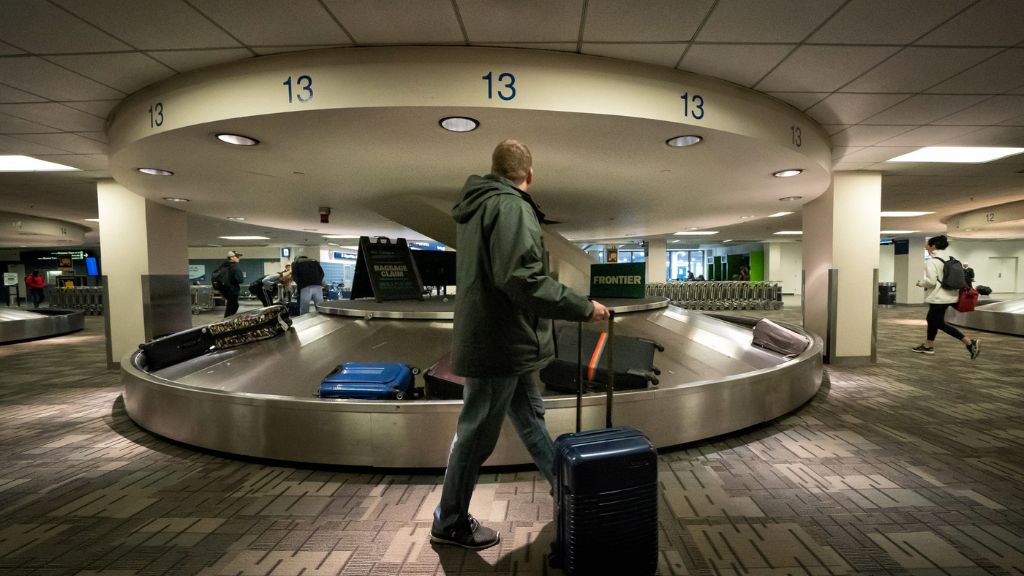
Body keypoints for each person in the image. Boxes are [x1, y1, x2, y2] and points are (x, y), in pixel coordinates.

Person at [431, 139, 609, 550]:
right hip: (501, 343)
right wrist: (583, 307)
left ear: (494, 169)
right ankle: (450, 521)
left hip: (505, 341)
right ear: (529, 175)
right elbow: (522, 279)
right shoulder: (510, 207)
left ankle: (567, 492)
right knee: (475, 435)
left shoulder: (477, 207)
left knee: (531, 419)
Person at [912, 235, 980, 359]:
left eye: (927, 244)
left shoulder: (932, 261)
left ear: (933, 246)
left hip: (938, 297)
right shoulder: (951, 258)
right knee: (931, 319)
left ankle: (969, 343)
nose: (926, 247)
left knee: (938, 322)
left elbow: (931, 281)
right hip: (951, 296)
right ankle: (928, 346)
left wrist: (921, 283)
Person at [218, 251, 245, 317]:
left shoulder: (223, 266)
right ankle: (227, 321)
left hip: (224, 290)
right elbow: (240, 280)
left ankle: (227, 319)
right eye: (237, 257)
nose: (239, 258)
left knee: (231, 306)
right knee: (233, 306)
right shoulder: (235, 267)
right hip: (233, 290)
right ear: (232, 258)